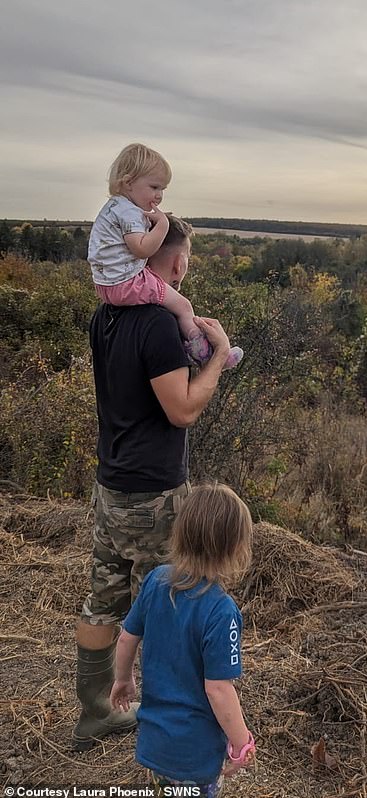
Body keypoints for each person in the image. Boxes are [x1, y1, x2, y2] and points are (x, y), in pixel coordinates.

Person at [73, 216, 235, 750]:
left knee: (104, 598)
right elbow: (183, 410)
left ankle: (96, 711)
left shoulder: (107, 314)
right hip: (153, 494)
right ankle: (173, 720)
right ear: (179, 262)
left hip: (111, 482)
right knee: (169, 605)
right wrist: (215, 360)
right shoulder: (160, 325)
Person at [110, 482, 255, 796]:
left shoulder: (156, 580)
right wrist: (242, 743)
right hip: (195, 754)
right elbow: (218, 689)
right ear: (234, 547)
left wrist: (123, 679)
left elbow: (126, 638)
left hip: (155, 743)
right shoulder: (222, 610)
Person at [88, 142, 242, 368]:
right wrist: (162, 225)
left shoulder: (114, 208)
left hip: (105, 286)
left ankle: (184, 347)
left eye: (162, 190)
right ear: (129, 182)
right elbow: (142, 249)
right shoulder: (128, 212)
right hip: (125, 283)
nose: (159, 196)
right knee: (182, 306)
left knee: (169, 303)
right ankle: (204, 353)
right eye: (154, 187)